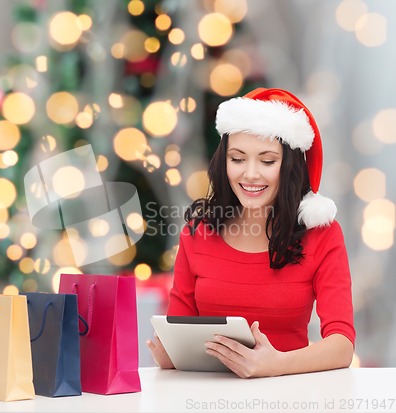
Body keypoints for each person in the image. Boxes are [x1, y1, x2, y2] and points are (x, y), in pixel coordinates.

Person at [146, 87, 356, 378]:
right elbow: (179, 329)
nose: (250, 174)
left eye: (267, 161)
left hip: (289, 396)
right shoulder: (198, 232)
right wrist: (171, 356)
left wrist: (273, 365)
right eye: (238, 158)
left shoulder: (322, 235)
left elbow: (342, 346)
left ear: (289, 166)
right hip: (203, 397)